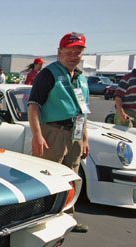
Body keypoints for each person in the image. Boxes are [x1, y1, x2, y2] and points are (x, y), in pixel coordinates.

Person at [28, 32, 91, 233]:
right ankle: (38, 220)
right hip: (53, 133)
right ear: (59, 52)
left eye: (78, 52)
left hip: (75, 133)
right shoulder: (48, 74)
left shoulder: (81, 78)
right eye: (69, 51)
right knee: (47, 175)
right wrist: (38, 135)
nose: (74, 55)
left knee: (71, 175)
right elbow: (34, 106)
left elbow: (83, 109)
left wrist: (85, 138)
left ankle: (67, 218)